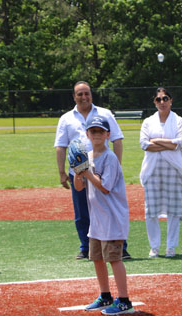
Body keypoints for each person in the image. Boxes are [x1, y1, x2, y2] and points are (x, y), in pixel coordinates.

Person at [54, 81, 130, 260]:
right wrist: (62, 172)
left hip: (103, 168)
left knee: (109, 208)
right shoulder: (66, 118)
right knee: (82, 211)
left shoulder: (104, 114)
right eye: (79, 94)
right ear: (74, 96)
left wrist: (116, 167)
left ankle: (120, 247)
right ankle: (86, 247)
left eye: (86, 93)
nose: (83, 97)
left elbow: (117, 140)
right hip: (78, 172)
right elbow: (60, 146)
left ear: (91, 95)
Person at [75, 116, 134, 315]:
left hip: (112, 217)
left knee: (114, 258)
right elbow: (79, 187)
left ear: (108, 135)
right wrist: (77, 171)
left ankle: (124, 300)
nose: (97, 135)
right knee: (97, 258)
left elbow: (105, 187)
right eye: (93, 131)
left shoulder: (110, 159)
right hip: (97, 219)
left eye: (101, 131)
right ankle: (105, 295)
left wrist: (87, 171)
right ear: (87, 134)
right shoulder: (88, 156)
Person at [139, 87, 182, 258]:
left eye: (165, 98)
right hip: (152, 169)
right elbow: (144, 144)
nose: (162, 102)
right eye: (158, 99)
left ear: (171, 100)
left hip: (174, 169)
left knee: (174, 209)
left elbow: (180, 143)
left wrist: (156, 141)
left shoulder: (179, 121)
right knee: (151, 209)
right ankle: (154, 246)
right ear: (154, 102)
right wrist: (168, 143)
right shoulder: (148, 122)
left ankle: (171, 246)